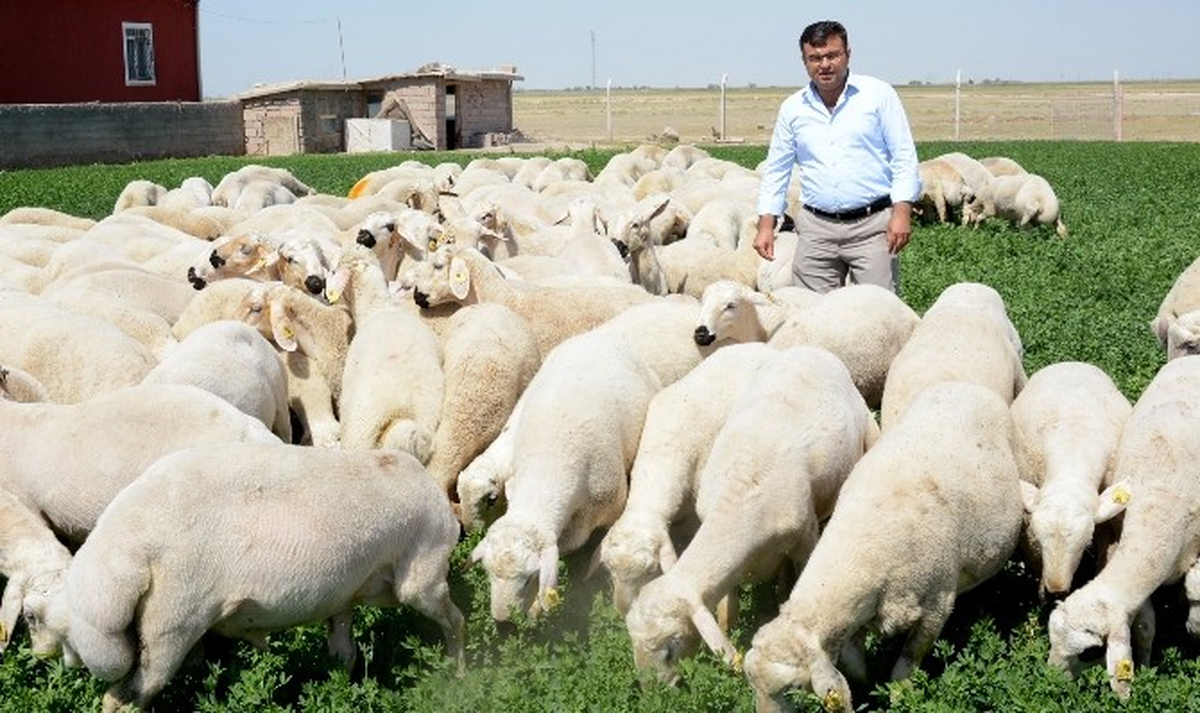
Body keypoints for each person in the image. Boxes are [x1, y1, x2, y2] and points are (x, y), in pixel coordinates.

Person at [753, 20, 921, 294]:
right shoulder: (793, 108)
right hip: (816, 229)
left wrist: (901, 213)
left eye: (832, 55)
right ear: (804, 61)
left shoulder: (878, 95)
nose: (825, 64)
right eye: (815, 58)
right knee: (812, 315)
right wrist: (766, 225)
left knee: (876, 312)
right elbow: (777, 170)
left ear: (848, 55)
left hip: (872, 226)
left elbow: (904, 156)